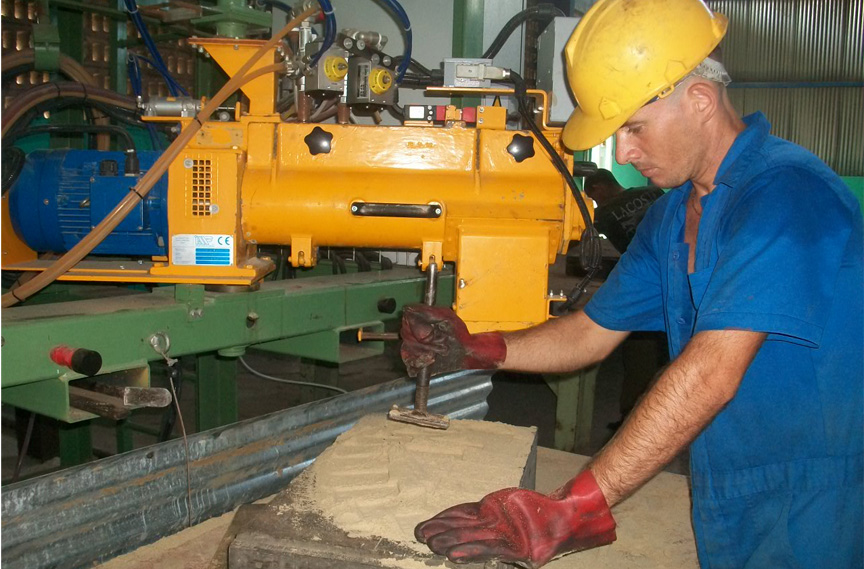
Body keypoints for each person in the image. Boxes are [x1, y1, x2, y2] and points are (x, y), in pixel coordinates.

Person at [401, 0, 864, 567]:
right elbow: (590, 333)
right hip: (726, 473)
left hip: (821, 484)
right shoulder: (672, 217)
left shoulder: (785, 193)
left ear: (699, 100)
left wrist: (577, 507)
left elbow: (712, 372)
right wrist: (481, 348)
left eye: (634, 127)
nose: (624, 152)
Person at [583, 169, 668, 429]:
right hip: (678, 273)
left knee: (638, 355)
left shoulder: (603, 215)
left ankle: (631, 421)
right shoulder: (651, 192)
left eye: (594, 197)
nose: (596, 203)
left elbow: (583, 243)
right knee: (671, 353)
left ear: (598, 189)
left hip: (645, 282)